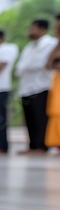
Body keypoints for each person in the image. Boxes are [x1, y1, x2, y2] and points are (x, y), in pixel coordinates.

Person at [15, 19, 58, 154]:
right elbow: (19, 67)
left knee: (40, 117)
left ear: (42, 29)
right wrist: (28, 66)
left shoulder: (51, 43)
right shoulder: (28, 47)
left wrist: (27, 66)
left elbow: (43, 63)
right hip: (26, 87)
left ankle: (41, 146)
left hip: (42, 86)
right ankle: (33, 146)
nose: (30, 30)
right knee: (29, 118)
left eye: (33, 28)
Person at [45, 15, 60, 149]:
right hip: (57, 81)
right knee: (56, 110)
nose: (56, 29)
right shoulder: (56, 44)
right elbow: (49, 64)